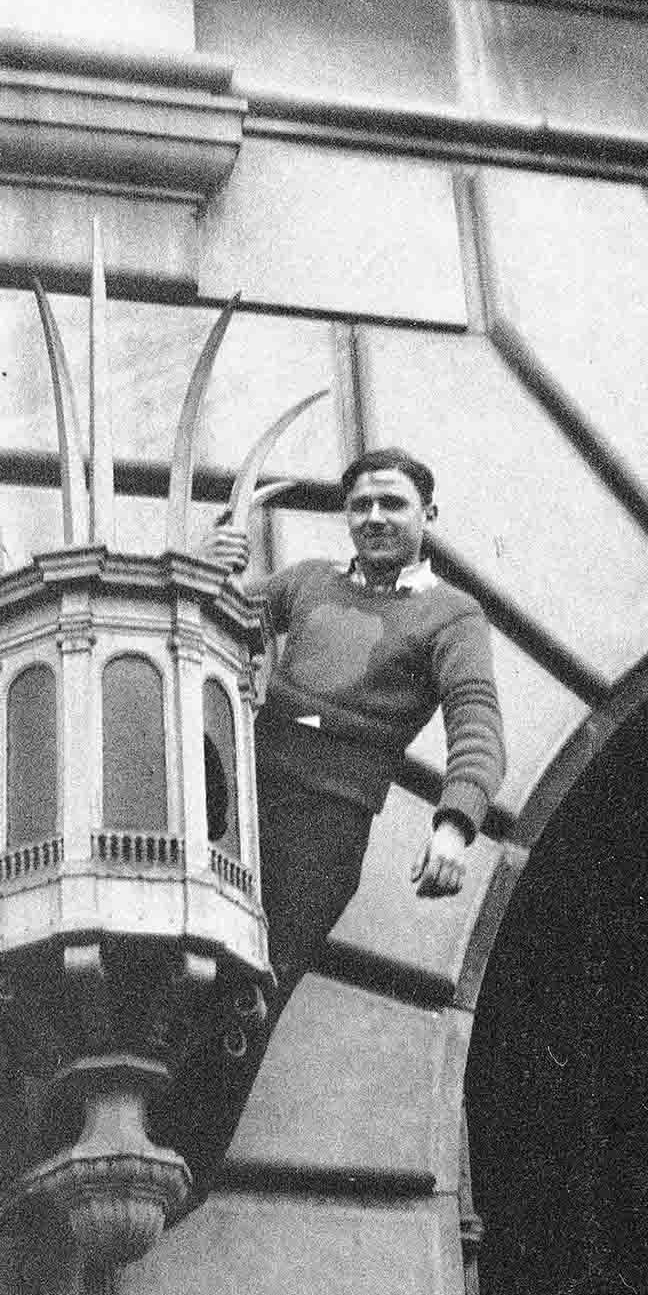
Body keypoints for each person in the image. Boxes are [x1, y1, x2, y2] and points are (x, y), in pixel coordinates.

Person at [168, 446, 506, 1178]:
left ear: (428, 516)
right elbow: (203, 617)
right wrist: (202, 563)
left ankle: (185, 1161)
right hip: (242, 794)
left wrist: (454, 824)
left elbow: (475, 719)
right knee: (176, 950)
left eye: (393, 504)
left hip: (326, 820)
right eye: (361, 506)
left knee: (251, 989)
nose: (375, 518)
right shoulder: (308, 582)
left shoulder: (453, 616)